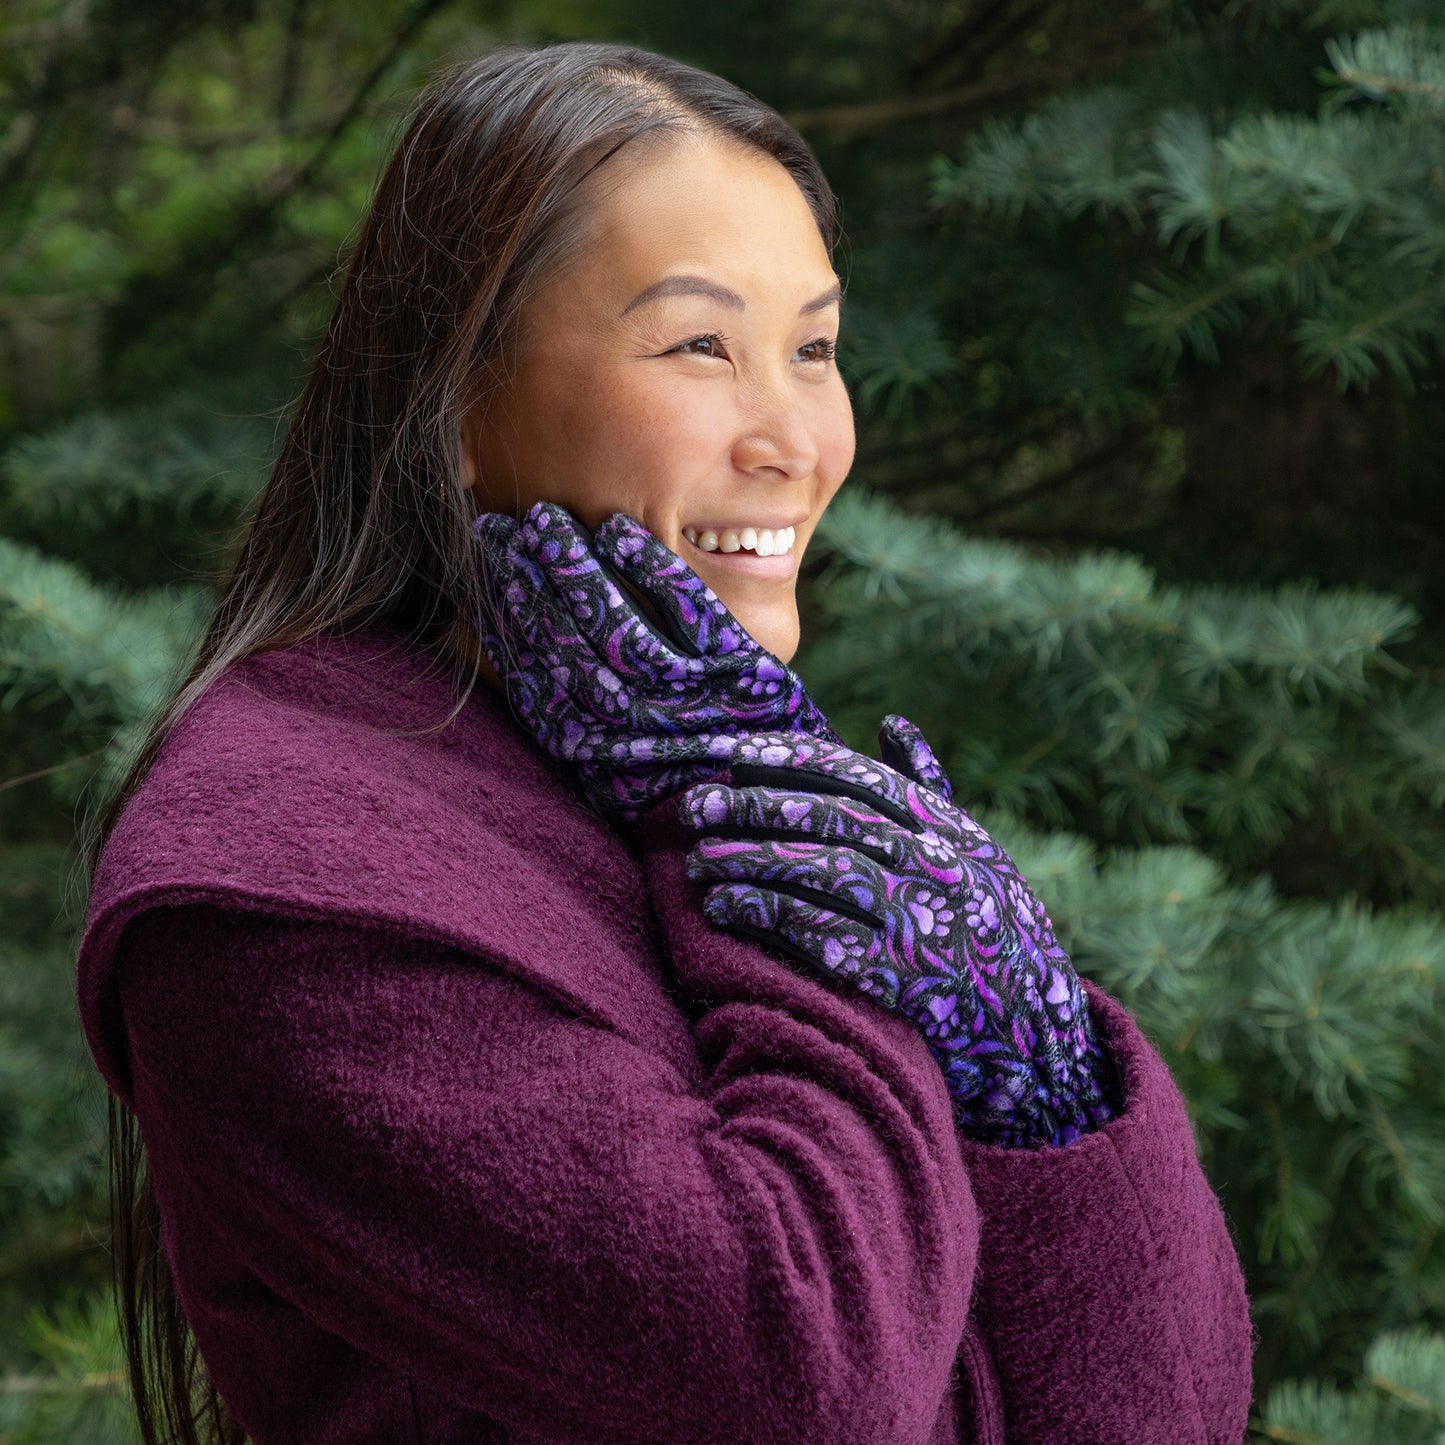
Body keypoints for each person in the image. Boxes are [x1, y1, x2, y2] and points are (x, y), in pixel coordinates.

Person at [75, 38, 1258, 1445]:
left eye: (813, 350)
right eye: (701, 344)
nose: (793, 439)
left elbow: (1167, 1414)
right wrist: (747, 813)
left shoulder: (644, 752)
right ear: (451, 398)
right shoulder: (276, 874)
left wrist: (1033, 1061)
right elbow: (796, 1381)